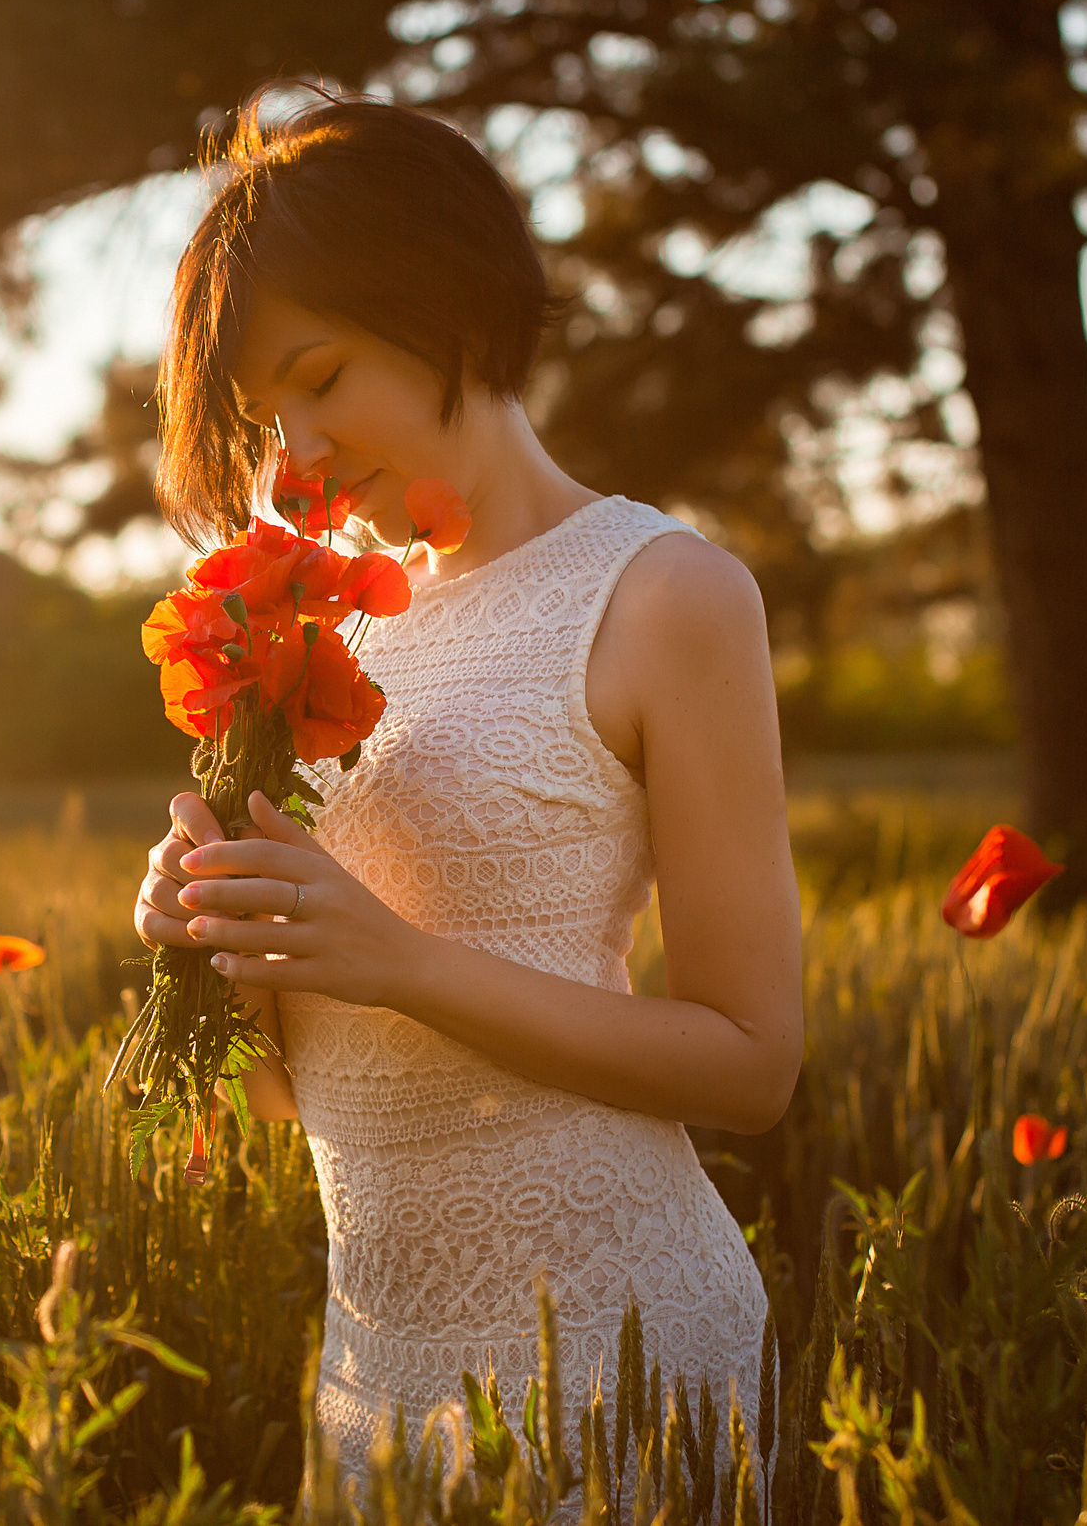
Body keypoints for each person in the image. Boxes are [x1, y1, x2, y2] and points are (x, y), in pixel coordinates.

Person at [131, 86, 804, 1515]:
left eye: (321, 377)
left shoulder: (665, 594)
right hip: (375, 1364)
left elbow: (754, 1063)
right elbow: (284, 1103)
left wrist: (405, 962)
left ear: (452, 305)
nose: (295, 455)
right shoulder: (325, 631)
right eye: (266, 415)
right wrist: (209, 950)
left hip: (618, 1354)